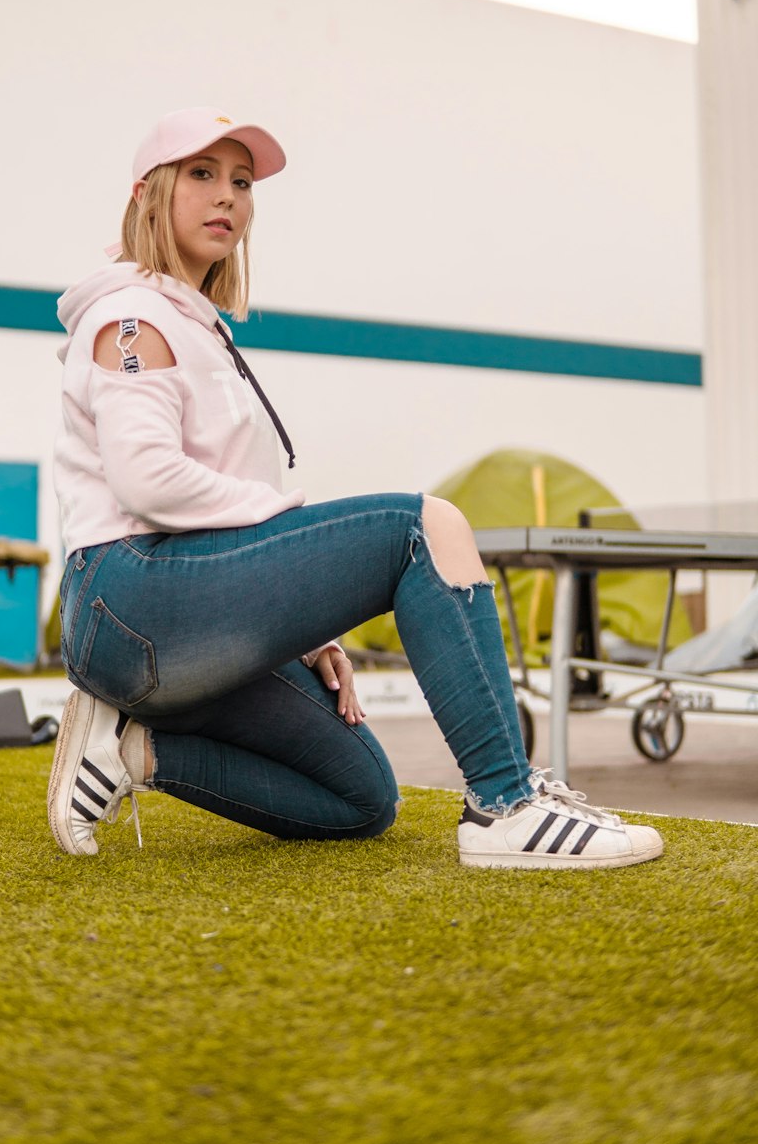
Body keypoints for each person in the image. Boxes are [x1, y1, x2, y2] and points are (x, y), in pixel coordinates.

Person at [49, 107, 663, 870]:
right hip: (132, 599)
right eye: (201, 175)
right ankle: (506, 805)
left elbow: (218, 522)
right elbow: (146, 479)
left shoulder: (199, 325)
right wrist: (292, 535)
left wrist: (300, 624)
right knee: (423, 528)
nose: (228, 197)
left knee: (362, 798)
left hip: (173, 618)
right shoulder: (132, 316)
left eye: (241, 182)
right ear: (149, 194)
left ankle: (133, 752)